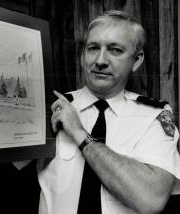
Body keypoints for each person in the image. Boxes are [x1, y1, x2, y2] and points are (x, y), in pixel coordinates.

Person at [37, 10, 180, 214]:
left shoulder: (155, 116)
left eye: (115, 50)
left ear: (137, 60)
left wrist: (79, 133)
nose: (101, 60)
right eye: (93, 48)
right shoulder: (50, 107)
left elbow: (150, 200)